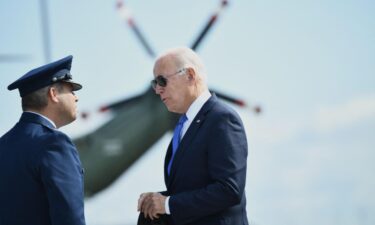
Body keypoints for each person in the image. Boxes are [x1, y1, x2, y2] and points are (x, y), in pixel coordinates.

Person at [138, 47, 249, 225]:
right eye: (154, 83)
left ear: (189, 75)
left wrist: (167, 204)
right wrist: (155, 201)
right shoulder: (185, 124)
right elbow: (189, 189)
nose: (157, 90)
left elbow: (229, 190)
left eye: (162, 81)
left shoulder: (221, 118)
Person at [0, 55, 86, 225]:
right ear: (53, 94)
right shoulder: (54, 144)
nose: (76, 97)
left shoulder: (3, 145)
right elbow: (70, 219)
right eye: (71, 90)